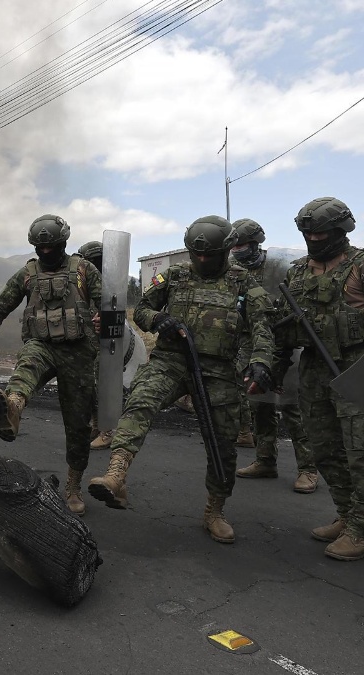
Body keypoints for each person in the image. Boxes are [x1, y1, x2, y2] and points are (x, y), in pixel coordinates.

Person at [87, 216, 275, 544]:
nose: (202, 260)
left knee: (223, 443)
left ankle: (214, 511)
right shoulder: (174, 276)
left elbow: (262, 327)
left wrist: (260, 363)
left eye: (209, 255)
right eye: (196, 254)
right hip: (170, 360)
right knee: (140, 403)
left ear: (226, 250)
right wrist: (159, 319)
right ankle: (116, 475)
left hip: (218, 370)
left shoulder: (245, 284)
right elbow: (142, 309)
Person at [276, 197, 364, 561]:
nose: (313, 238)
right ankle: (346, 514)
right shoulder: (296, 272)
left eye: (321, 232)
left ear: (342, 229)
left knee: (360, 454)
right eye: (307, 232)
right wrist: (277, 362)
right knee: (324, 449)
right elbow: (283, 326)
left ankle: (363, 531)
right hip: (314, 371)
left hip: (358, 368)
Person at [0, 215, 102, 515]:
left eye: (51, 247)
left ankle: (73, 486)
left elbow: (108, 303)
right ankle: (11, 408)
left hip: (78, 352)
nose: (46, 252)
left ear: (63, 243)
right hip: (40, 344)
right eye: (40, 247)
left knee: (78, 425)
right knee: (25, 369)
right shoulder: (27, 274)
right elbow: (0, 307)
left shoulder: (83, 269)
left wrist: (104, 317)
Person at [229, 218, 318, 493]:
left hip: (284, 344)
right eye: (234, 245)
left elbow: (300, 303)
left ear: (256, 243)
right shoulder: (234, 272)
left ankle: (308, 469)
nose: (238, 250)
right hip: (252, 344)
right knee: (258, 404)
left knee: (292, 406)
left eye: (242, 244)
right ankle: (265, 460)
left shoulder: (281, 267)